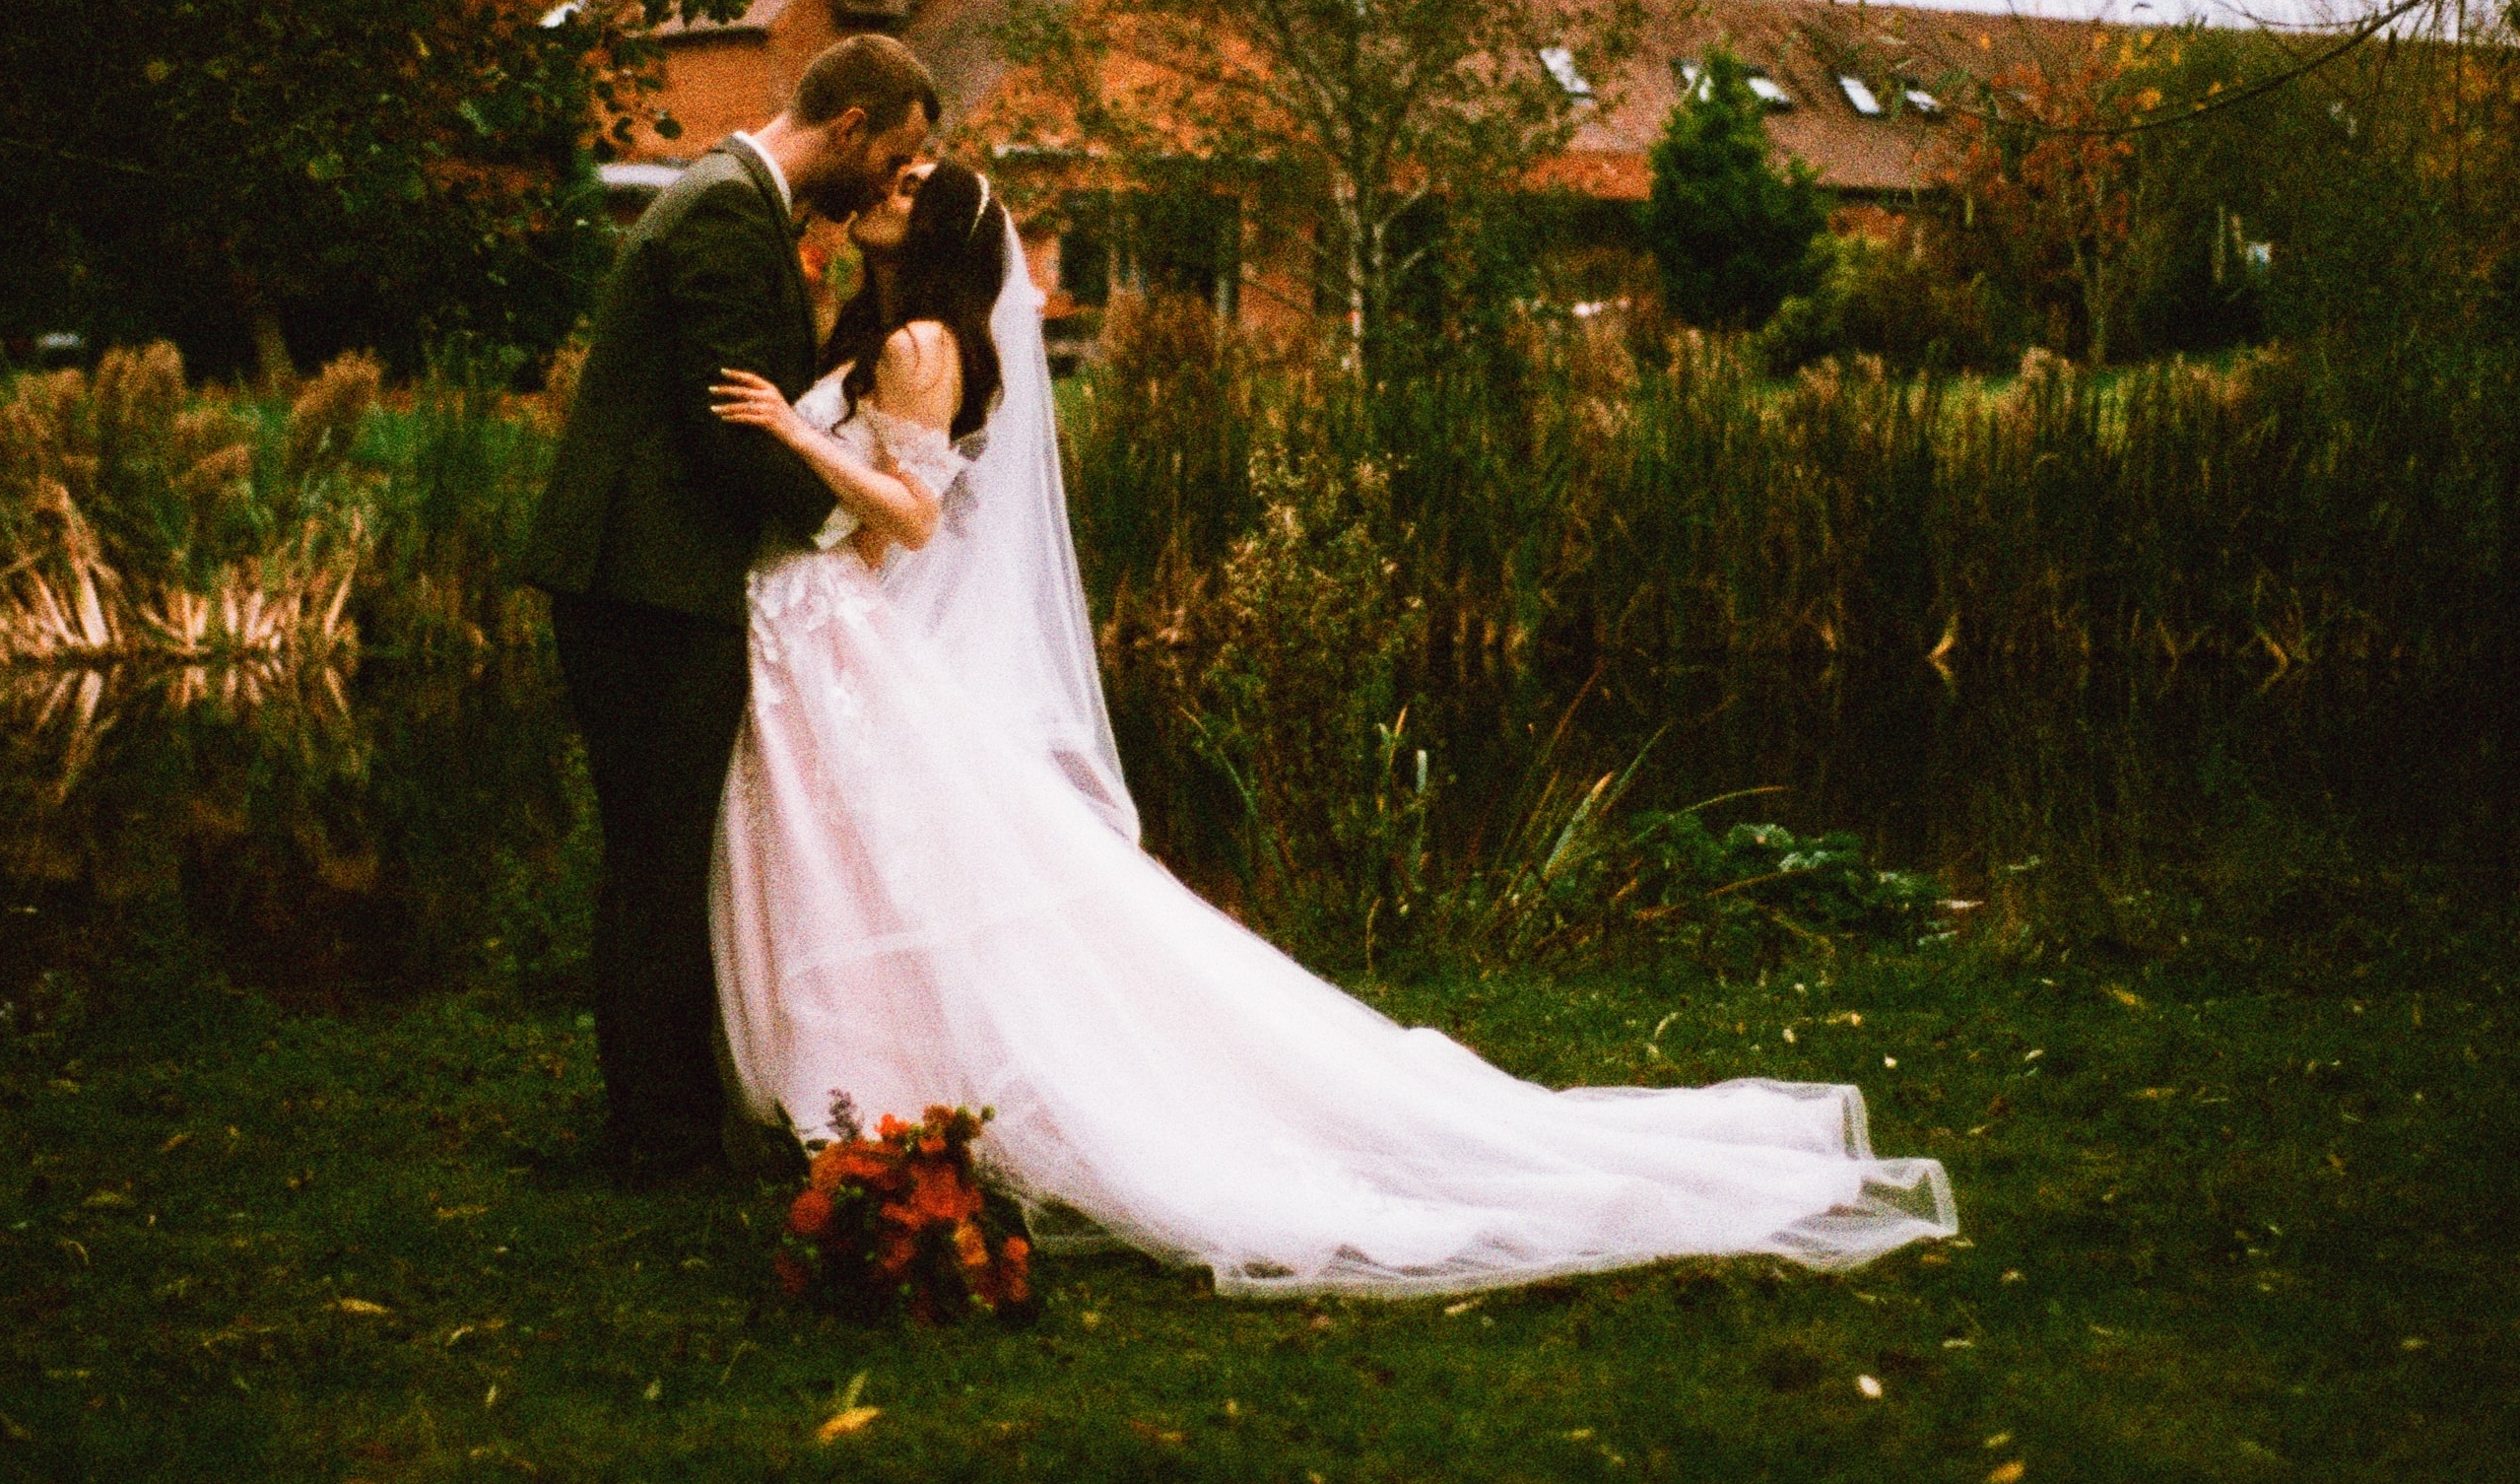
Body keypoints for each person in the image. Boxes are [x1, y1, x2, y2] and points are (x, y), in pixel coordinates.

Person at [705, 161, 1959, 1296]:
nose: (889, 183)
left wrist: (786, 440)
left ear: (932, 235)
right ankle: (859, 1106)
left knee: (888, 866)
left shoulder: (923, 339)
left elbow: (911, 517)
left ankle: (882, 1111)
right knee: (859, 864)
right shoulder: (882, 326)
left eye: (915, 181)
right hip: (826, 627)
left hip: (837, 623)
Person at [538, 34, 941, 1183]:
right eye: (893, 154)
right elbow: (729, 426)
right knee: (659, 856)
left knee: (659, 855)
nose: (886, 181)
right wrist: (844, 533)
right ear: (853, 126)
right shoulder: (723, 213)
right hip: (647, 579)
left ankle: (662, 1116)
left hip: (650, 573)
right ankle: (658, 1137)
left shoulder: (731, 199)